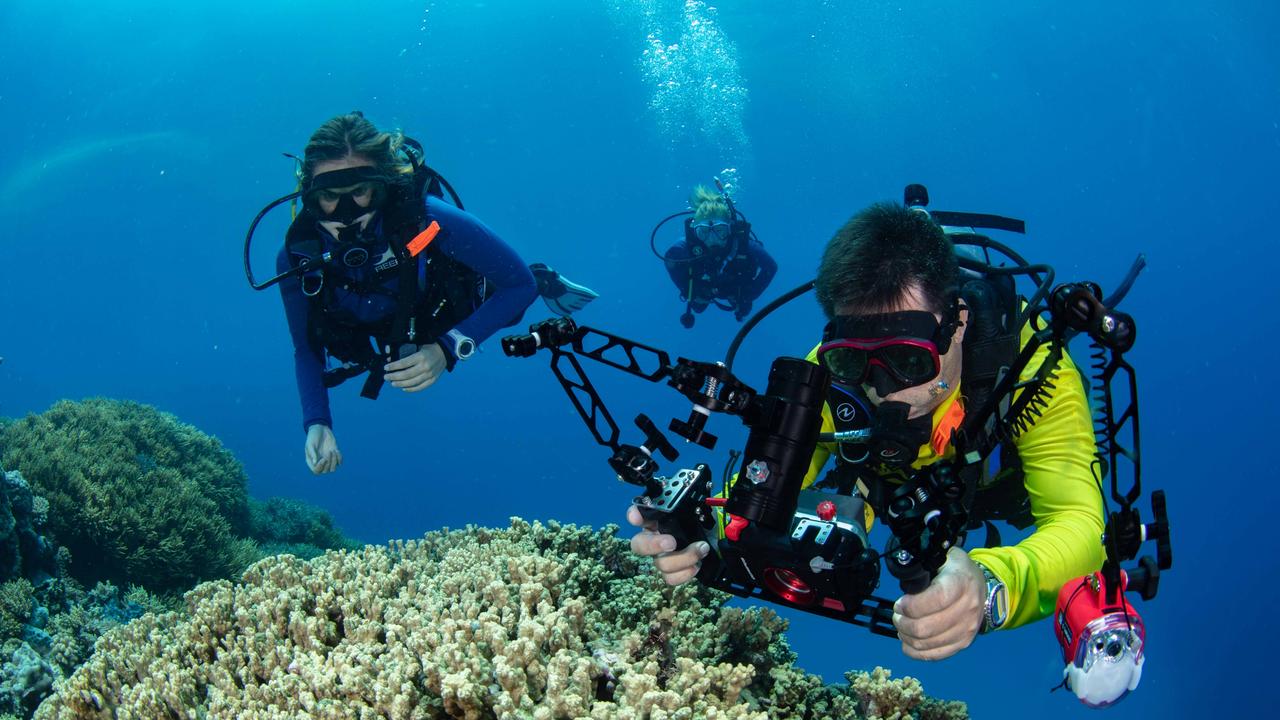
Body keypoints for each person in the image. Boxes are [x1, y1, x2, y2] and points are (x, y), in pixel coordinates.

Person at [629, 201, 1104, 660]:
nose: (882, 390)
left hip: (993, 484)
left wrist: (991, 587)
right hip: (883, 485)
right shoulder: (827, 372)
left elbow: (1081, 525)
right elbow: (763, 484)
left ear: (956, 325)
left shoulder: (1034, 370)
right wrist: (705, 531)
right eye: (855, 361)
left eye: (908, 360)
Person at [277, 112, 598, 475]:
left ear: (383, 184)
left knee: (509, 306)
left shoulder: (429, 219)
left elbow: (518, 285)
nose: (347, 211)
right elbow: (306, 347)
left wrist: (448, 348)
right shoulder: (298, 256)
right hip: (372, 327)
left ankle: (547, 277)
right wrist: (317, 421)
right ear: (309, 195)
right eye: (330, 196)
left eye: (361, 192)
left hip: (440, 311)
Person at [662, 185, 777, 328]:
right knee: (698, 307)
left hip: (735, 284)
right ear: (694, 231)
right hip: (703, 285)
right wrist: (687, 289)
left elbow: (771, 266)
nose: (712, 240)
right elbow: (670, 261)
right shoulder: (683, 247)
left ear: (730, 228)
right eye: (704, 232)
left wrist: (750, 293)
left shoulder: (743, 244)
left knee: (743, 309)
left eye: (719, 231)